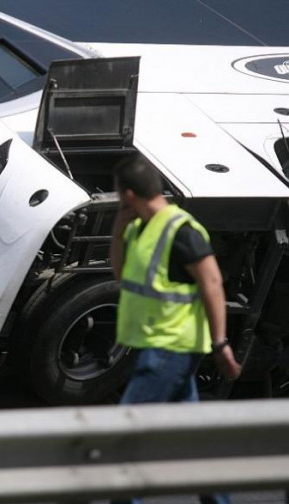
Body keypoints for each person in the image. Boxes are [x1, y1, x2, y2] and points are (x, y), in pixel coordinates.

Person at [110, 154, 241, 504]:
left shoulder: (180, 231)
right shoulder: (139, 228)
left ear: (130, 195)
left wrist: (220, 343)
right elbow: (121, 275)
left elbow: (213, 283)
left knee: (126, 437)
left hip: (170, 349)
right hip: (157, 346)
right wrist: (118, 232)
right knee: (195, 443)